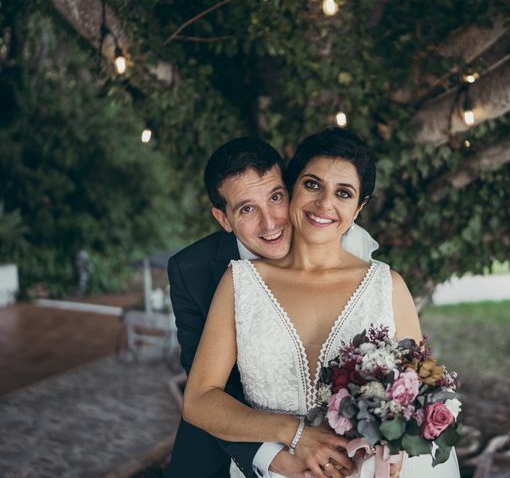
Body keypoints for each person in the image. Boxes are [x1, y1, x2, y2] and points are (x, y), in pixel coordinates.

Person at [183, 128, 460, 477]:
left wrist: (393, 450)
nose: (324, 204)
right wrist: (295, 435)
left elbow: (418, 395)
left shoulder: (386, 286)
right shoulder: (240, 282)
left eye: (343, 193)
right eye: (312, 184)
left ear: (359, 208)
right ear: (292, 187)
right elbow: (199, 401)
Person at [166, 137, 377, 478]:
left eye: (276, 197)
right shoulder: (192, 271)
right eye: (247, 209)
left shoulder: (342, 243)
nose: (270, 223)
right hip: (230, 449)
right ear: (223, 218)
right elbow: (207, 389)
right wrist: (278, 453)